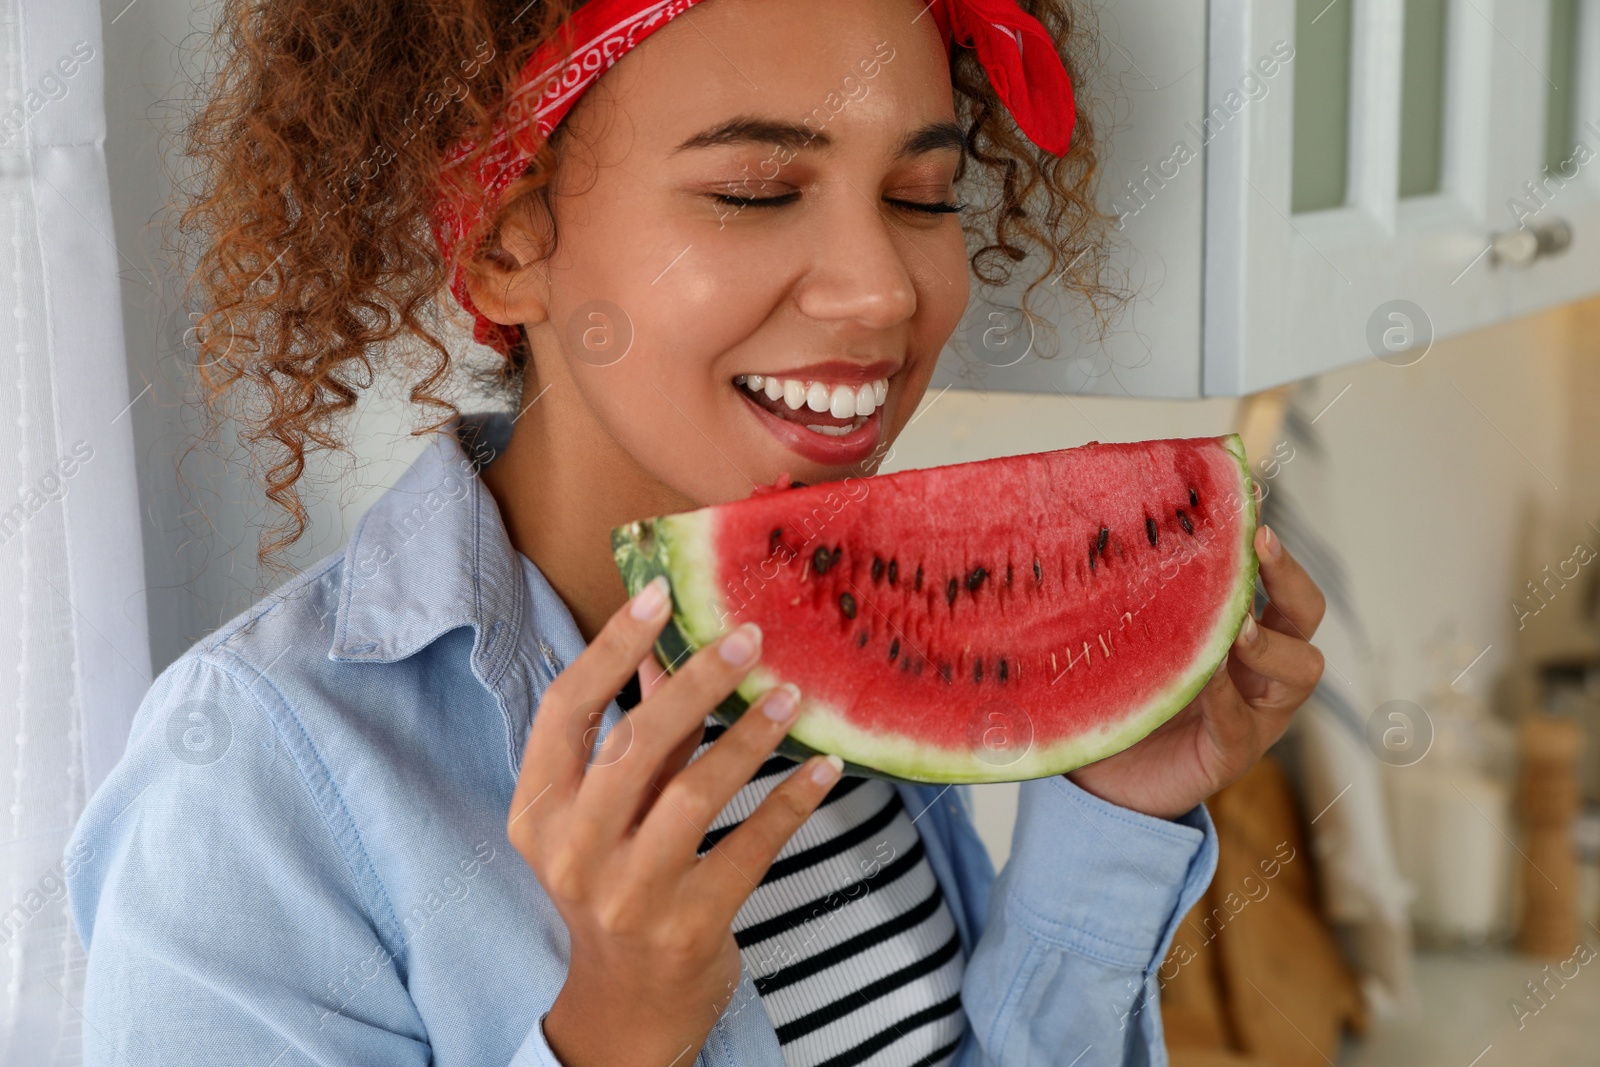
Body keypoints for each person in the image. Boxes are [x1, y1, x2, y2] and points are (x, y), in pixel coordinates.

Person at [65, 1, 1327, 1064]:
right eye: (754, 189)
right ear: (508, 242)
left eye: (921, 194)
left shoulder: (845, 637)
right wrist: (601, 1037)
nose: (883, 287)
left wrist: (1110, 813)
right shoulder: (246, 776)